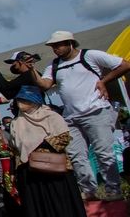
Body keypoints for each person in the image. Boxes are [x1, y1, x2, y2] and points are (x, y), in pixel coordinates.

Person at [34, 30, 130, 201]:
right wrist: (30, 70)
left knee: (104, 152)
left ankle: (113, 189)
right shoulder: (54, 65)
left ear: (70, 43)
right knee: (77, 155)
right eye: (53, 46)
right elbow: (45, 84)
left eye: (58, 45)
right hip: (71, 116)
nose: (55, 49)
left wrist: (104, 81)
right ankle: (89, 190)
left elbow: (124, 64)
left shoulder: (90, 56)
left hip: (96, 111)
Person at [9, 86, 95, 217]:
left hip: (53, 167)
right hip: (28, 169)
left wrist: (40, 145)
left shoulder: (51, 116)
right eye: (19, 100)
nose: (20, 103)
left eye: (24, 100)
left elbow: (63, 138)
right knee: (37, 206)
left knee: (60, 204)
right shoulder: (16, 122)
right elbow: (15, 147)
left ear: (34, 101)